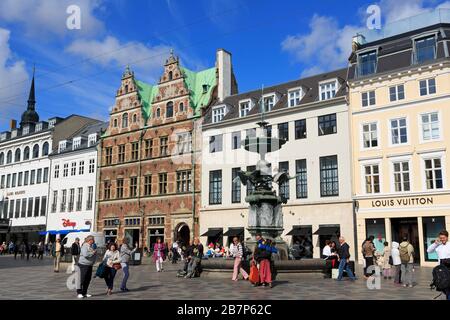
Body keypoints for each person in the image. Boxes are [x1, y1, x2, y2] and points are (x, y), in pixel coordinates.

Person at [427, 230, 450, 300]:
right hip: (440, 270)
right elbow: (429, 250)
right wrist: (435, 243)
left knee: (448, 287)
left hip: (449, 268)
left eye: (443, 237)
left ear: (447, 237)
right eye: (441, 238)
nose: (442, 239)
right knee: (443, 287)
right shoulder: (438, 246)